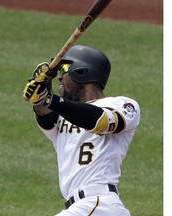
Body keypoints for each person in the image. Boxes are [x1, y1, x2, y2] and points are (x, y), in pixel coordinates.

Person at [23, 45, 140, 216]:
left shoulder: (123, 105)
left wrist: (49, 99)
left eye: (64, 69)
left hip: (98, 203)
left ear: (82, 71)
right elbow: (45, 115)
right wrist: (42, 88)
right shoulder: (63, 116)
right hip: (84, 208)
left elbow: (99, 121)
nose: (60, 77)